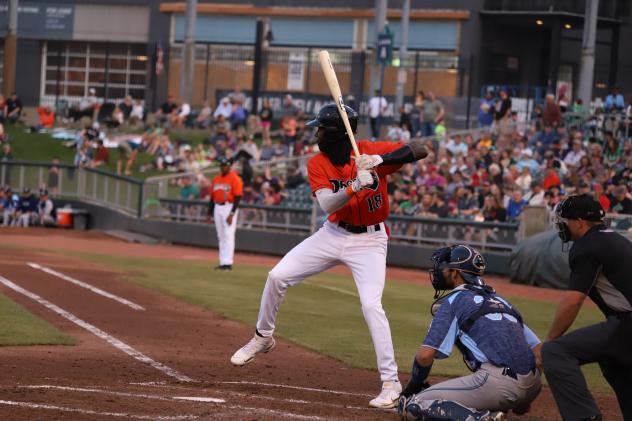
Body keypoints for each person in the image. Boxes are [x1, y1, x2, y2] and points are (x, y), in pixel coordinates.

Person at [230, 103, 428, 408]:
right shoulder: (317, 163)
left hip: (370, 241)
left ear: (336, 133)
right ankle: (263, 337)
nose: (316, 134)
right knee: (277, 276)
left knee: (371, 305)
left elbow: (419, 149)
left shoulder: (368, 150)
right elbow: (327, 204)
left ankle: (391, 383)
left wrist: (380, 160)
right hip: (333, 233)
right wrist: (354, 186)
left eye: (321, 129)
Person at [398, 245, 541, 421]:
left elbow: (425, 356)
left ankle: (481, 418)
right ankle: (493, 411)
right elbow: (539, 351)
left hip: (500, 387)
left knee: (413, 405)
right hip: (533, 385)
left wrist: (412, 387)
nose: (440, 271)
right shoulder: (500, 300)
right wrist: (524, 397)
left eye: (445, 268)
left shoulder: (454, 300)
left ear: (455, 273)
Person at [540, 194, 632, 420]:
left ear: (580, 222)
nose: (562, 226)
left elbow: (573, 300)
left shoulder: (587, 246)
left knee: (555, 352)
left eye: (565, 221)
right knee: (612, 360)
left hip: (627, 323)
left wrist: (549, 341)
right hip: (624, 325)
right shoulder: (617, 239)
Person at [208, 157, 243, 271]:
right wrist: (209, 213)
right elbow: (212, 198)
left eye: (225, 166)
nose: (223, 167)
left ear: (229, 166)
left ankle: (228, 263)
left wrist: (232, 214)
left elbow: (238, 197)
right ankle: (223, 262)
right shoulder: (216, 179)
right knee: (221, 236)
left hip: (229, 206)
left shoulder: (235, 178)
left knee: (228, 235)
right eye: (222, 166)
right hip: (217, 207)